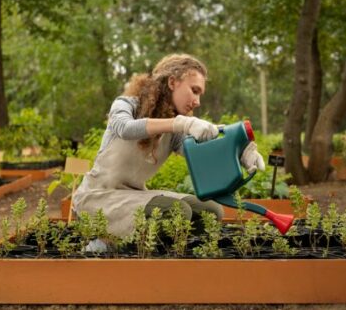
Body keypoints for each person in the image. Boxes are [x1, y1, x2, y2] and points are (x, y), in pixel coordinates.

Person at [72, 53, 265, 246]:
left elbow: (203, 155)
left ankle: (163, 255)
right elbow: (125, 128)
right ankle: (104, 244)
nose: (197, 101)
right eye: (194, 90)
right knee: (178, 212)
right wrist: (180, 123)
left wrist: (241, 152)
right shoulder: (126, 104)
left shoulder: (174, 132)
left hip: (133, 196)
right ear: (172, 82)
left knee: (211, 211)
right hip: (97, 198)